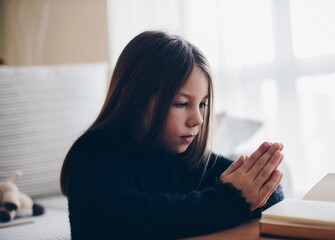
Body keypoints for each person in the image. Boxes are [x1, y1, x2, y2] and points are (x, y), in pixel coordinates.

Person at [60, 30, 284, 240]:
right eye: (182, 103)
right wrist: (230, 199)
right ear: (135, 98)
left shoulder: (183, 156)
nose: (198, 119)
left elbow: (271, 194)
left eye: (203, 104)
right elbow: (126, 219)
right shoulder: (93, 154)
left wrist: (251, 185)